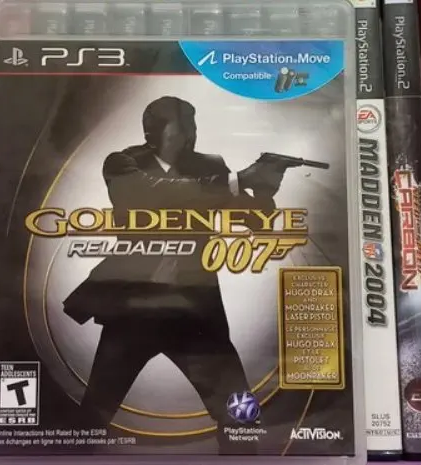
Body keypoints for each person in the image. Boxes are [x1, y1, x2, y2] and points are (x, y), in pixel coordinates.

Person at [63, 96, 288, 453]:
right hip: (133, 309)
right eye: (181, 128)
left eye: (192, 127)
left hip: (195, 312)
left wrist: (263, 189)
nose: (189, 136)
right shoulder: (122, 162)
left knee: (241, 417)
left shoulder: (212, 167)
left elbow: (253, 219)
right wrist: (238, 179)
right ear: (154, 132)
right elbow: (149, 197)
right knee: (92, 418)